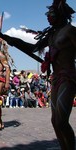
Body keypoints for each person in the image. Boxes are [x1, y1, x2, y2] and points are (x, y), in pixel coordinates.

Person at [35, 1, 76, 149]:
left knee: (61, 121)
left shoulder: (70, 31)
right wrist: (13, 40)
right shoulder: (52, 35)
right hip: (56, 78)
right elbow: (34, 47)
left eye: (50, 14)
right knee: (55, 121)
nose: (47, 17)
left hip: (68, 77)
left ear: (60, 15)